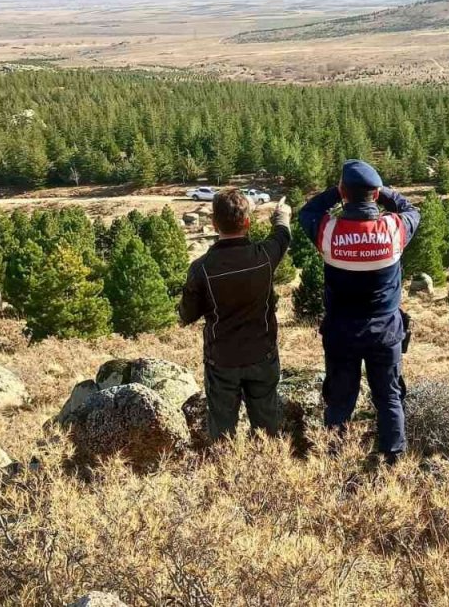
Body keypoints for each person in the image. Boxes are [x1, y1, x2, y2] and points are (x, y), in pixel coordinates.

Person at [298, 160, 421, 463]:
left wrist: (335, 194)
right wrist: (383, 193)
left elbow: (307, 213)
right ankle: (393, 462)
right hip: (385, 330)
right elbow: (412, 211)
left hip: (341, 332)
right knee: (389, 397)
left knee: (340, 402)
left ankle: (337, 462)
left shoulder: (329, 232)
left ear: (344, 191)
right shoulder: (392, 230)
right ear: (375, 192)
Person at [179, 188, 292, 441]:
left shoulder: (201, 269)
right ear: (248, 222)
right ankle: (268, 468)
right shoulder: (264, 256)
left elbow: (186, 315)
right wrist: (281, 216)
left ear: (214, 223)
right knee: (266, 429)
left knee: (222, 432)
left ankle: (226, 471)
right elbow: (282, 236)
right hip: (262, 354)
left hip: (222, 360)